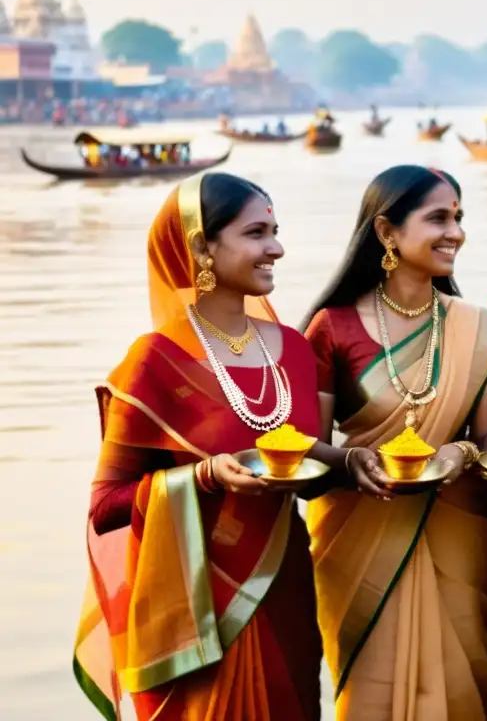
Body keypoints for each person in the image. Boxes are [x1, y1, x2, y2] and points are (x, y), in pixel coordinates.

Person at [74, 173, 325, 719]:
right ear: (201, 247)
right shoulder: (154, 361)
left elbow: (301, 454)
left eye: (276, 231)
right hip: (192, 607)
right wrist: (204, 476)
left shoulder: (296, 352)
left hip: (282, 580)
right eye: (256, 233)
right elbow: (104, 507)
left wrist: (355, 462)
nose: (276, 248)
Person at [301, 165, 487, 719]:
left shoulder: (480, 327)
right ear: (388, 232)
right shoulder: (332, 327)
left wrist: (460, 452)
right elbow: (306, 446)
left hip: (460, 529)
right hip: (360, 532)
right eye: (438, 218)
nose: (456, 232)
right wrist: (351, 460)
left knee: (463, 686)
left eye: (459, 218)